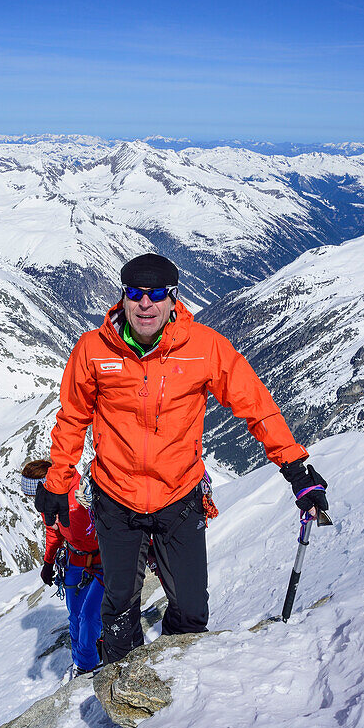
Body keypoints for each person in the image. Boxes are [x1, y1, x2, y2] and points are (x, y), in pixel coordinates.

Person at [34, 252, 328, 664]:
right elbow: (73, 418)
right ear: (123, 296)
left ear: (174, 299)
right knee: (119, 609)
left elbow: (255, 406)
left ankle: (177, 688)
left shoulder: (205, 348)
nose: (145, 304)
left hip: (179, 495)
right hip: (116, 498)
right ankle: (125, 692)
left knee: (191, 609)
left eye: (157, 294)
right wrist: (57, 482)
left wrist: (295, 468)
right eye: (136, 293)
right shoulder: (93, 348)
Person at [22, 459, 103, 677]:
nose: (33, 500)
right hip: (75, 560)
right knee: (75, 615)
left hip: (103, 560)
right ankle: (82, 662)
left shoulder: (82, 491)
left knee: (88, 616)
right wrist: (48, 562)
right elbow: (53, 531)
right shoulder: (48, 499)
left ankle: (88, 665)